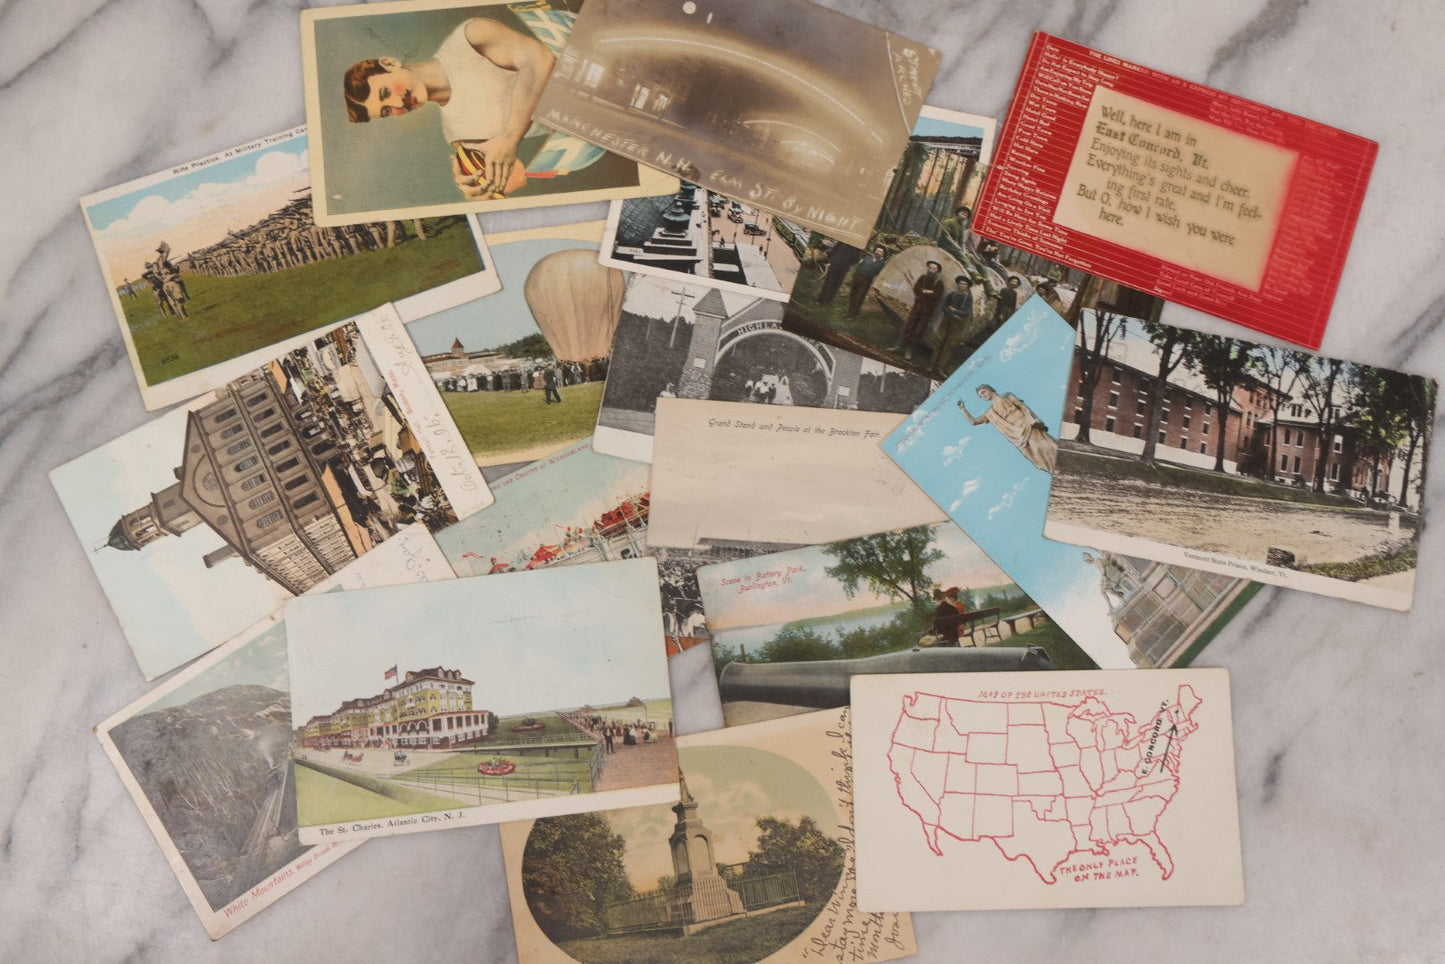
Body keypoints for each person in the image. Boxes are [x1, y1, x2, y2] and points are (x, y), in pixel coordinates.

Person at [342, 17, 557, 198]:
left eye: (386, 93)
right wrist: (480, 189)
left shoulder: (470, 38)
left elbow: (541, 59)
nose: (398, 104)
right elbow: (514, 177)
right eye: (387, 111)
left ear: (390, 64)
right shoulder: (457, 134)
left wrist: (511, 137)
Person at [958, 384, 1058, 473]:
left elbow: (1024, 408)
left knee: (1045, 447)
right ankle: (1055, 471)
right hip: (1016, 437)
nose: (983, 396)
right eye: (980, 396)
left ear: (990, 389)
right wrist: (963, 409)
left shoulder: (1008, 398)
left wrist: (1033, 420)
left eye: (983, 392)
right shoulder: (990, 413)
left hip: (1026, 426)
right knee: (1037, 457)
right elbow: (974, 422)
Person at [898, 260, 946, 356]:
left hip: (927, 309)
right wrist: (926, 292)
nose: (931, 270)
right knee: (909, 325)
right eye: (930, 268)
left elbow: (937, 295)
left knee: (919, 330)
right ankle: (901, 346)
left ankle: (909, 349)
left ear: (937, 271)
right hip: (918, 306)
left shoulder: (939, 283)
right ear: (927, 268)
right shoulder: (922, 278)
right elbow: (916, 288)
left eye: (934, 269)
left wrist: (927, 292)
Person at [934, 274, 975, 370]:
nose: (962, 286)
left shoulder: (968, 298)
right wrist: (951, 314)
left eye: (964, 284)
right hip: (946, 320)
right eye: (961, 283)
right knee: (938, 341)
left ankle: (940, 368)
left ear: (967, 287)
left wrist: (955, 311)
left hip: (957, 324)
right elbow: (944, 307)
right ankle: (931, 365)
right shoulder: (951, 295)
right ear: (958, 284)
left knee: (950, 345)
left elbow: (966, 312)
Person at [846, 244, 888, 318]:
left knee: (859, 298)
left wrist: (874, 282)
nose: (877, 252)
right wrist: (855, 274)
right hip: (857, 277)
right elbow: (860, 265)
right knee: (852, 295)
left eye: (880, 252)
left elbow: (879, 275)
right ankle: (849, 313)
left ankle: (853, 315)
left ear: (883, 254)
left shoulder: (882, 264)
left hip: (866, 281)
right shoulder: (868, 257)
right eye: (877, 251)